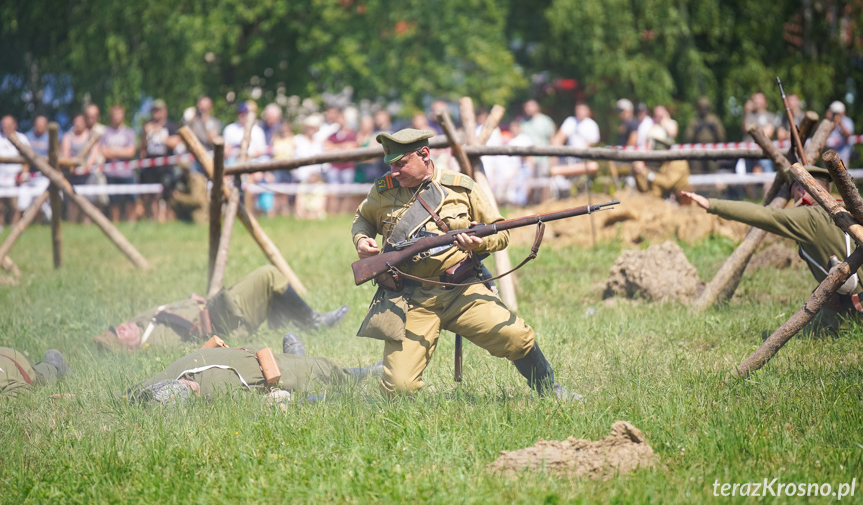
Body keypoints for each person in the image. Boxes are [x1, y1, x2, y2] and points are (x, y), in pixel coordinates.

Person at [351, 128, 580, 399]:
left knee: (517, 337)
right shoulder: (383, 191)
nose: (394, 172)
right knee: (399, 388)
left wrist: (479, 244)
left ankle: (549, 390)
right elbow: (363, 218)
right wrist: (361, 239)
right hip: (410, 298)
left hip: (461, 288)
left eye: (401, 163)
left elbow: (502, 232)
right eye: (391, 164)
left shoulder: (460, 186)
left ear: (424, 154)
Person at [680, 166, 862, 334]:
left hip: (857, 300)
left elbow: (766, 215)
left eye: (794, 194)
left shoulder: (810, 216)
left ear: (802, 190)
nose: (794, 200)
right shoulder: (845, 208)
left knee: (814, 326)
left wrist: (712, 204)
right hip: (850, 296)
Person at [93, 265, 349, 352]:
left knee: (265, 284)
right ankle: (312, 322)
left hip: (215, 306)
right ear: (128, 348)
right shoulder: (156, 342)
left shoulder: (139, 323)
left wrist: (191, 301)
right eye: (118, 334)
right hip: (227, 322)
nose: (120, 327)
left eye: (114, 327)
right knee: (268, 276)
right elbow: (197, 340)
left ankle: (281, 325)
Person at [129, 333, 380, 405]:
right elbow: (257, 403)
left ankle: (296, 356)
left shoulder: (166, 378)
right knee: (324, 370)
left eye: (182, 385)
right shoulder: (214, 397)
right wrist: (278, 400)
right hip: (272, 371)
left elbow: (133, 392)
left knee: (306, 365)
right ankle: (371, 371)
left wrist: (134, 397)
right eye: (186, 391)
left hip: (251, 351)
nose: (188, 384)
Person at [94, 105, 137, 223]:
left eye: (119, 114)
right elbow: (103, 151)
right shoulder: (105, 132)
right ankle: (115, 223)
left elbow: (131, 152)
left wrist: (113, 151)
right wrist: (121, 151)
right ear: (111, 116)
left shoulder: (128, 132)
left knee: (131, 199)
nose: (117, 117)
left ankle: (131, 223)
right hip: (111, 173)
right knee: (113, 201)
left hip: (127, 172)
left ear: (123, 115)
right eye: (115, 114)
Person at [140, 99, 181, 221]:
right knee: (152, 195)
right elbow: (142, 148)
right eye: (154, 110)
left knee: (167, 195)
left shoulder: (171, 126)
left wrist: (160, 134)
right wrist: (145, 134)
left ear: (165, 111)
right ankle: (154, 219)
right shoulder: (147, 127)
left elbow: (175, 143)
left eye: (158, 110)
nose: (156, 113)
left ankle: (167, 219)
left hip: (166, 167)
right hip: (150, 168)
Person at [632, 125, 690, 201]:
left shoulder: (678, 162)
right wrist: (638, 173)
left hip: (681, 203)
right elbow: (647, 190)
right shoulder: (662, 163)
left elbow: (667, 183)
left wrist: (646, 172)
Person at [0, 347, 70, 399]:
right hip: (7, 357)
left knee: (43, 376)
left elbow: (22, 390)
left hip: (18, 364)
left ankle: (54, 363)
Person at [0, 115, 30, 228]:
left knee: (16, 206)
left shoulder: (21, 139)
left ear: (14, 125)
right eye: (3, 125)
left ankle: (15, 227)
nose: (5, 127)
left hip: (15, 178)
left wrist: (23, 175)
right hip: (1, 178)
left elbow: (27, 159)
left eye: (8, 125)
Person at [683, 97, 726, 174]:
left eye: (705, 108)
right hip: (697, 150)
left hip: (712, 149)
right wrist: (695, 131)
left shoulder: (714, 120)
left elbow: (722, 138)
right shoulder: (694, 121)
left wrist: (715, 130)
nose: (703, 110)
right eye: (701, 108)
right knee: (697, 172)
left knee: (712, 171)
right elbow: (687, 138)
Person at [61, 114, 91, 223]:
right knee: (71, 200)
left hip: (87, 175)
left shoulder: (91, 136)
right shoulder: (68, 136)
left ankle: (87, 224)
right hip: (72, 173)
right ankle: (71, 223)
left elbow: (93, 155)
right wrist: (72, 165)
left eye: (80, 122)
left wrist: (86, 167)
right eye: (76, 122)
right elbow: (65, 154)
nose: (78, 124)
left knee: (87, 201)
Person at [169, 160, 208, 224]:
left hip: (199, 217)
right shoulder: (185, 181)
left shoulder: (195, 181)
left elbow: (196, 200)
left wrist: (179, 197)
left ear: (185, 171)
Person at [826, 101, 854, 166]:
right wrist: (827, 119)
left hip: (843, 157)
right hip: (828, 157)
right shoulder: (829, 122)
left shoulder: (847, 121)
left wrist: (840, 124)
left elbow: (849, 134)